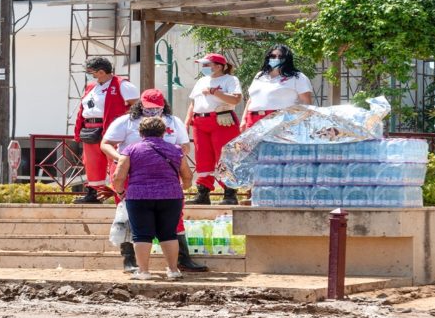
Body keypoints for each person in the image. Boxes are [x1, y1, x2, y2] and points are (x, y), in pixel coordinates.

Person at [102, 89, 209, 273]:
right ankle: (129, 260)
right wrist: (119, 158)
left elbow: (185, 145)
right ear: (140, 104)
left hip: (165, 175)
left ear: (163, 106)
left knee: (176, 217)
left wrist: (175, 154)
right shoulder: (126, 121)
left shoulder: (173, 122)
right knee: (128, 215)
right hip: (132, 174)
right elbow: (106, 143)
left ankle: (183, 258)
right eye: (148, 108)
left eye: (156, 108)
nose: (152, 112)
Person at [112, 116, 193, 280]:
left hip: (139, 197)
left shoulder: (131, 150)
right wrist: (181, 188)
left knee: (141, 234)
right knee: (169, 233)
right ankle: (173, 270)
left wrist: (121, 192)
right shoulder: (176, 150)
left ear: (140, 132)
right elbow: (188, 176)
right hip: (171, 197)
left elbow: (118, 176)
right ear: (163, 132)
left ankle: (143, 271)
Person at [73, 56, 139, 203]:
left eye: (93, 72)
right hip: (90, 128)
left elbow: (137, 106)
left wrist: (124, 122)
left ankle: (120, 193)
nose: (92, 76)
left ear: (102, 72)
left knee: (114, 160)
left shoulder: (122, 85)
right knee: (91, 162)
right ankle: (94, 193)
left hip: (111, 128)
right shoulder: (91, 87)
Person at [184, 53, 242, 206]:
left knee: (224, 157)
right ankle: (203, 193)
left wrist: (215, 92)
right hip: (200, 121)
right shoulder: (201, 81)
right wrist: (186, 122)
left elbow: (236, 99)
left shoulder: (230, 79)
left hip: (221, 120)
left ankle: (229, 194)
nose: (204, 68)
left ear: (219, 66)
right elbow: (193, 103)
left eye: (206, 65)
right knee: (202, 157)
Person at [240, 44, 313, 132]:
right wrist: (244, 119)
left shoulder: (297, 76)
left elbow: (306, 102)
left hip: (281, 120)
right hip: (253, 120)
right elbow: (252, 99)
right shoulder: (260, 75)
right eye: (273, 56)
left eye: (281, 57)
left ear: (287, 59)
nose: (276, 59)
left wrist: (302, 122)